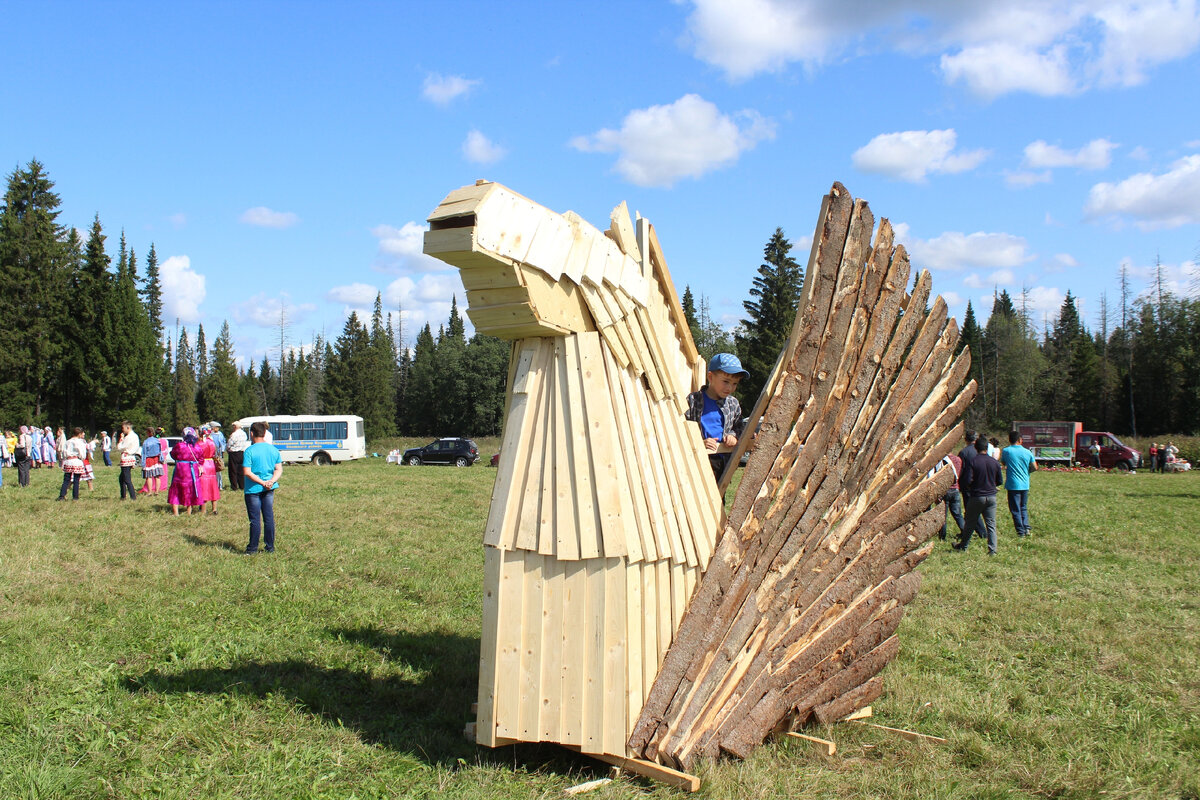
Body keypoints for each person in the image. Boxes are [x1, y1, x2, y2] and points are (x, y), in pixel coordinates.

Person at [684, 353, 748, 483]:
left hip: (723, 460)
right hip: (699, 459)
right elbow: (684, 429)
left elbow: (740, 427)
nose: (730, 388)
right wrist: (700, 442)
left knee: (718, 498)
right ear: (710, 377)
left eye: (735, 383)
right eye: (725, 382)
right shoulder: (694, 400)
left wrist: (733, 436)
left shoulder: (732, 404)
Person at [954, 436, 1003, 556]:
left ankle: (963, 546)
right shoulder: (994, 462)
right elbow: (1000, 481)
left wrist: (970, 487)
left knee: (970, 523)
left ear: (976, 448)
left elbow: (967, 480)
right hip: (991, 496)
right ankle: (993, 550)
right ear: (987, 447)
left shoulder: (973, 461)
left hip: (977, 496)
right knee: (991, 524)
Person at [242, 421, 282, 555]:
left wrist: (261, 482)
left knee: (255, 520)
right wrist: (270, 481)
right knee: (269, 518)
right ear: (265, 433)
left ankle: (252, 548)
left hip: (253, 489)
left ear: (251, 434)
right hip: (269, 488)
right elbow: (278, 469)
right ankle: (269, 547)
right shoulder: (273, 449)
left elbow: (247, 472)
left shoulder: (249, 451)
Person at [1001, 430, 1037, 538]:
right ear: (1020, 440)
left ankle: (1020, 531)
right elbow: (1035, 467)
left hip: (1012, 484)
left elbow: (1003, 462)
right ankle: (1026, 527)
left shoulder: (1006, 451)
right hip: (1025, 483)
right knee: (1023, 507)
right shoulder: (1027, 452)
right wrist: (1027, 472)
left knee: (1015, 509)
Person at [167, 427, 207, 515]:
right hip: (192, 470)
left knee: (176, 489)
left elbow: (173, 454)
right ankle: (189, 512)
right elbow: (201, 459)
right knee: (191, 489)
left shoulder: (179, 445)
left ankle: (176, 513)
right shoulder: (197, 447)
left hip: (181, 469)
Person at [957, 430, 988, 541]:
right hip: (982, 483)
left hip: (967, 485)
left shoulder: (964, 452)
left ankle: (982, 533)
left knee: (970, 511)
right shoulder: (982, 451)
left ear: (966, 440)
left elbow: (960, 470)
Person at [936, 451, 965, 541]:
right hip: (955, 489)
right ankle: (965, 532)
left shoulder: (941, 461)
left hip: (944, 490)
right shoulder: (958, 460)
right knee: (958, 514)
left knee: (943, 515)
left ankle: (942, 536)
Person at [57, 427, 89, 501]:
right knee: (76, 480)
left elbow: (64, 452)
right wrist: (82, 458)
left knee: (66, 479)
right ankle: (75, 497)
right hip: (77, 461)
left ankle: (62, 496)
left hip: (68, 461)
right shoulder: (80, 442)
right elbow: (82, 453)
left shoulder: (68, 441)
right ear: (80, 434)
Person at [199, 427, 221, 514]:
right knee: (213, 486)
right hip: (211, 463)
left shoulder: (200, 443)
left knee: (204, 487)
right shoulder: (212, 442)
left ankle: (203, 510)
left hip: (203, 463)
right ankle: (214, 509)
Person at [116, 422, 140, 500]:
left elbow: (120, 447)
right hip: (130, 456)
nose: (122, 430)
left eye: (123, 428)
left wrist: (121, 440)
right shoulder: (135, 436)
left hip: (127, 457)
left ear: (128, 428)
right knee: (122, 478)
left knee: (126, 478)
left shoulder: (129, 437)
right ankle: (123, 496)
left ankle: (133, 496)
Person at [139, 426, 165, 495]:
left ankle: (150, 491)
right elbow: (160, 451)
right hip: (156, 459)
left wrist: (143, 463)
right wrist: (161, 459)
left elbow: (144, 453)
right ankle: (157, 491)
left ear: (148, 433)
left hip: (149, 460)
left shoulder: (146, 442)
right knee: (157, 476)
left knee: (149, 477)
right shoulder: (157, 441)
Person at [226, 420, 248, 490]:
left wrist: (227, 449)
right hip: (241, 452)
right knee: (241, 470)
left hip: (234, 453)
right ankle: (242, 485)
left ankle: (234, 486)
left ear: (235, 427)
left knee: (233, 470)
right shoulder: (244, 434)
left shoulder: (234, 434)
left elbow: (229, 444)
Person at [210, 422, 226, 490]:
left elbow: (223, 443)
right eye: (216, 427)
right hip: (211, 454)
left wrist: (222, 451)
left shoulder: (220, 434)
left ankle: (220, 485)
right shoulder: (210, 434)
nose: (217, 429)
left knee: (218, 470)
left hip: (218, 454)